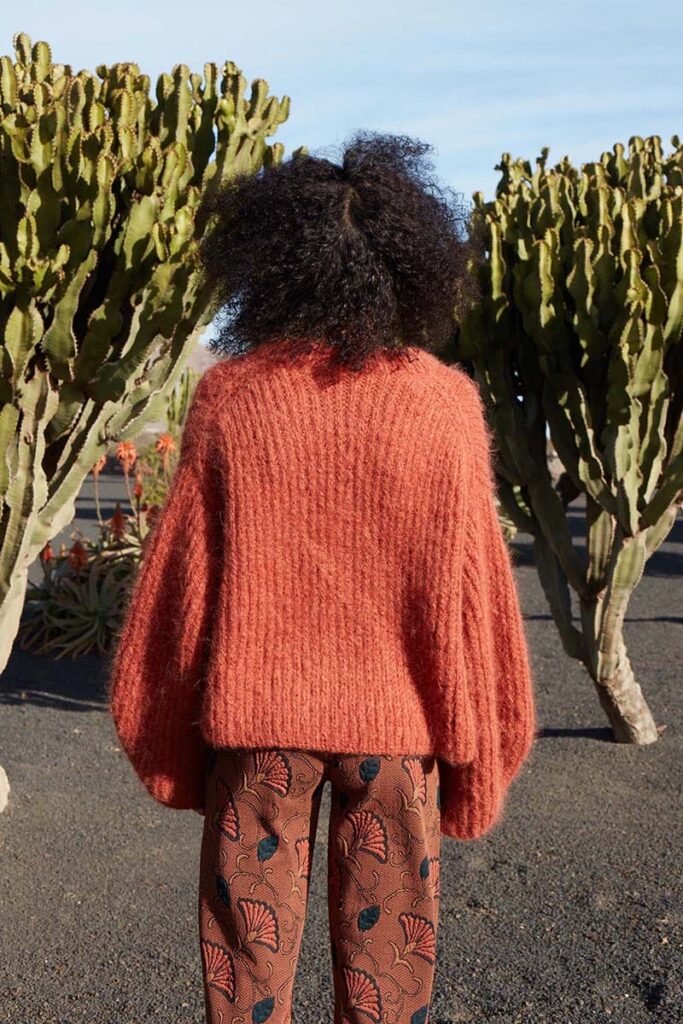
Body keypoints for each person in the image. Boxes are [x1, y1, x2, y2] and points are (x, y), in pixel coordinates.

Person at [107, 132, 537, 1024]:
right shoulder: (444, 404)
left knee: (245, 969)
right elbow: (479, 600)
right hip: (398, 738)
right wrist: (486, 750)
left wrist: (167, 741)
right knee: (388, 977)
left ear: (271, 261)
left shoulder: (234, 396)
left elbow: (182, 589)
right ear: (411, 263)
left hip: (259, 737)